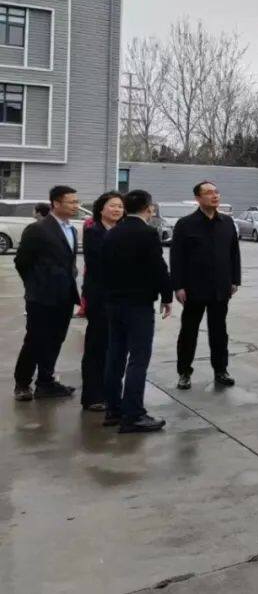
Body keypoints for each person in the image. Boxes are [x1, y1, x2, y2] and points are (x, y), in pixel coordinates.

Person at [102, 189, 172, 432]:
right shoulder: (147, 233)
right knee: (138, 359)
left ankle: (113, 409)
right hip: (138, 305)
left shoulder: (112, 233)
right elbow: (158, 267)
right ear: (148, 208)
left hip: (113, 303)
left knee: (115, 356)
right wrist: (167, 295)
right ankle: (133, 414)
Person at [13, 185, 81, 401]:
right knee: (35, 340)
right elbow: (21, 262)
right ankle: (22, 384)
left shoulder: (71, 229)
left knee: (55, 340)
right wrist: (35, 284)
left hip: (64, 295)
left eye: (76, 202)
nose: (75, 206)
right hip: (41, 296)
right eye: (71, 202)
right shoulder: (38, 229)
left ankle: (46, 381)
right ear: (56, 203)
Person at [171, 181, 241, 390]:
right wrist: (178, 286)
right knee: (189, 331)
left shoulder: (227, 222)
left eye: (216, 192)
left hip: (221, 287)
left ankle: (221, 370)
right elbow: (177, 257)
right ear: (198, 198)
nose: (215, 196)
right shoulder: (185, 224)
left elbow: (234, 253)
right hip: (193, 288)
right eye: (209, 193)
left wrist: (234, 280)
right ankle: (184, 372)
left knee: (219, 331)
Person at [80, 191, 124, 411]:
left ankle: (112, 392)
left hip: (120, 297)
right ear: (101, 209)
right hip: (100, 298)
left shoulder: (122, 231)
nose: (117, 210)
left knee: (115, 348)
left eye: (120, 206)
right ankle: (93, 395)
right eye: (112, 206)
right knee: (97, 346)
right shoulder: (93, 231)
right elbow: (100, 264)